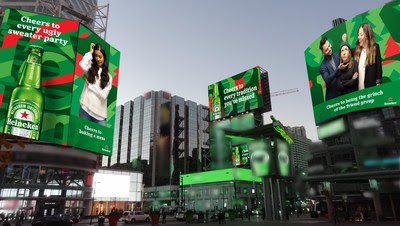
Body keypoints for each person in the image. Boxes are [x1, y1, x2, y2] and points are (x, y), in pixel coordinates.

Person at [79, 43, 112, 126]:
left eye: (100, 56)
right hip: (85, 109)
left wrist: (90, 86)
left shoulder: (109, 77)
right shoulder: (90, 67)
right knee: (81, 138)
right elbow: (82, 64)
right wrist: (90, 52)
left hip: (100, 116)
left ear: (104, 57)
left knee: (100, 138)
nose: (98, 59)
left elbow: (103, 95)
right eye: (96, 56)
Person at [343, 23, 382, 90]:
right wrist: (344, 42)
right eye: (358, 35)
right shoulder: (356, 51)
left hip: (372, 89)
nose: (358, 37)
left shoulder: (375, 47)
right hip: (359, 91)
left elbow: (379, 68)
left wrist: (378, 84)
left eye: (361, 35)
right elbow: (347, 52)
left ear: (367, 35)